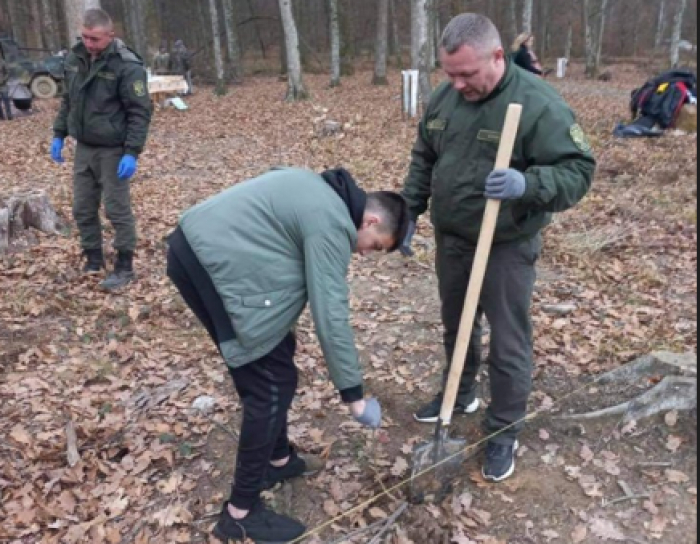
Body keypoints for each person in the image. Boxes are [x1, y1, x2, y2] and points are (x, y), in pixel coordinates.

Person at [167, 167, 410, 543]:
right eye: (375, 245)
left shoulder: (320, 190)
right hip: (211, 265)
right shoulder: (333, 222)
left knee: (280, 359)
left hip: (203, 250)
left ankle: (277, 460)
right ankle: (240, 513)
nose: (364, 254)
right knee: (268, 389)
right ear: (371, 220)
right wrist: (354, 396)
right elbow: (330, 312)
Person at [401, 14, 596, 483]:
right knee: (457, 324)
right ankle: (460, 392)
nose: (457, 83)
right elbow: (424, 155)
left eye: (467, 73)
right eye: (450, 73)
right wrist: (408, 211)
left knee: (508, 341)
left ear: (495, 56)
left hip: (507, 243)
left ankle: (502, 429)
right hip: (454, 238)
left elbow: (578, 171)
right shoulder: (446, 98)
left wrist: (527, 183)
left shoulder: (537, 103)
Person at [50, 9, 152, 291]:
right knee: (82, 208)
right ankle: (93, 258)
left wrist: (132, 151)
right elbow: (68, 100)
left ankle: (124, 265)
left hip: (113, 150)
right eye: (84, 37)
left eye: (94, 38)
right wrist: (59, 134)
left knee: (117, 210)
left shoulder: (126, 66)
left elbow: (140, 112)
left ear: (110, 35)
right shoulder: (75, 59)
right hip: (84, 147)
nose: (88, 43)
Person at [0, 49, 13, 121]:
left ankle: (9, 116)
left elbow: (8, 72)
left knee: (6, 101)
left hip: (3, 85)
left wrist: (4, 80)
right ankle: (1, 117)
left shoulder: (2, 62)